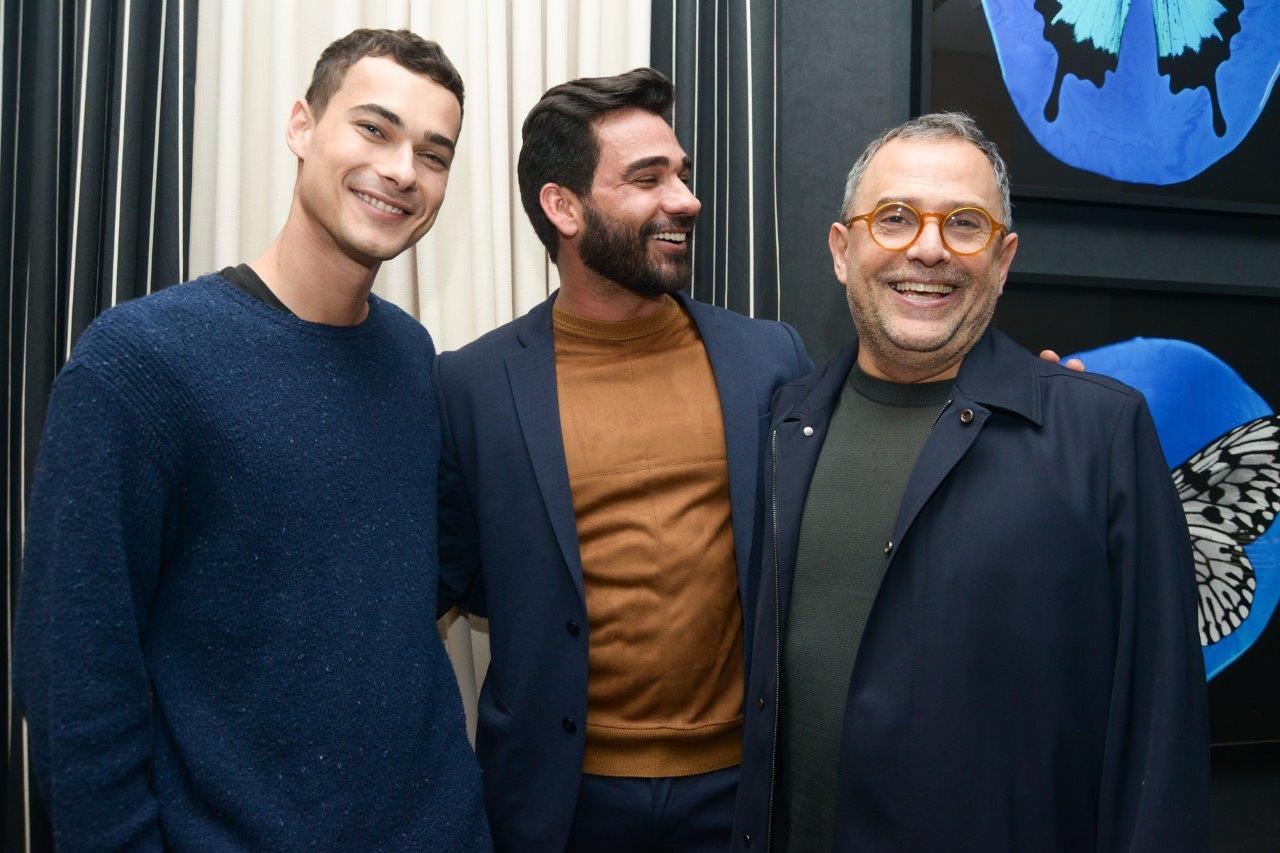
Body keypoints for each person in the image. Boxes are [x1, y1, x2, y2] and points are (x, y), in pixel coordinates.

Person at [13, 29, 490, 850]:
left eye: (433, 153)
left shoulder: (412, 356)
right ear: (301, 125)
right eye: (374, 129)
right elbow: (74, 674)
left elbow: (400, 582)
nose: (403, 170)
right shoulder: (139, 363)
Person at [731, 112, 1210, 851]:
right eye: (893, 218)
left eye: (964, 223)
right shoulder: (780, 426)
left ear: (1003, 256)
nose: (928, 249)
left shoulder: (1098, 434)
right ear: (841, 248)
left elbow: (1160, 726)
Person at [434, 68, 813, 851]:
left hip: (741, 795)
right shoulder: (471, 386)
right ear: (563, 207)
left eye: (682, 174)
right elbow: (454, 579)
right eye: (648, 178)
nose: (685, 199)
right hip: (558, 802)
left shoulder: (769, 358)